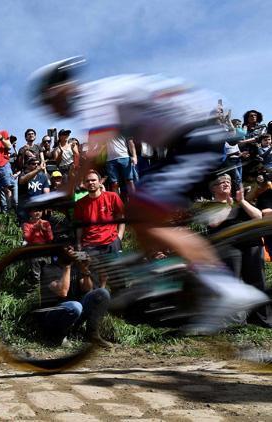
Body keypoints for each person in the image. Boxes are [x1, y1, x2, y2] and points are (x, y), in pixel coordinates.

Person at [28, 56, 269, 333]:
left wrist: (62, 193)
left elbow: (95, 154)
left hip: (195, 137)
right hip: (185, 141)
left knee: (142, 211)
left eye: (48, 102)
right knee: (140, 215)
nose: (50, 109)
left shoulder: (95, 96)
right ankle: (162, 280)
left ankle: (225, 288)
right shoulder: (100, 95)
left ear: (59, 89)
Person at [201, 174, 270, 327]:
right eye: (221, 182)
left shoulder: (240, 202)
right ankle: (235, 320)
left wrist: (242, 201)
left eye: (228, 182)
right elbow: (213, 223)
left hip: (252, 243)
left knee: (257, 280)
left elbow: (258, 216)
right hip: (228, 246)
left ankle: (261, 318)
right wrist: (228, 205)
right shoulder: (209, 205)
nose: (226, 184)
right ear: (213, 188)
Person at [36, 246, 111, 347]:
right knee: (75, 306)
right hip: (52, 316)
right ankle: (58, 336)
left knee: (102, 293)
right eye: (67, 250)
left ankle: (92, 334)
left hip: (74, 313)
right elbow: (63, 292)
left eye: (72, 249)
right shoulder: (49, 269)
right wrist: (67, 266)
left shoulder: (76, 268)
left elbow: (87, 289)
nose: (71, 252)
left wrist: (85, 270)